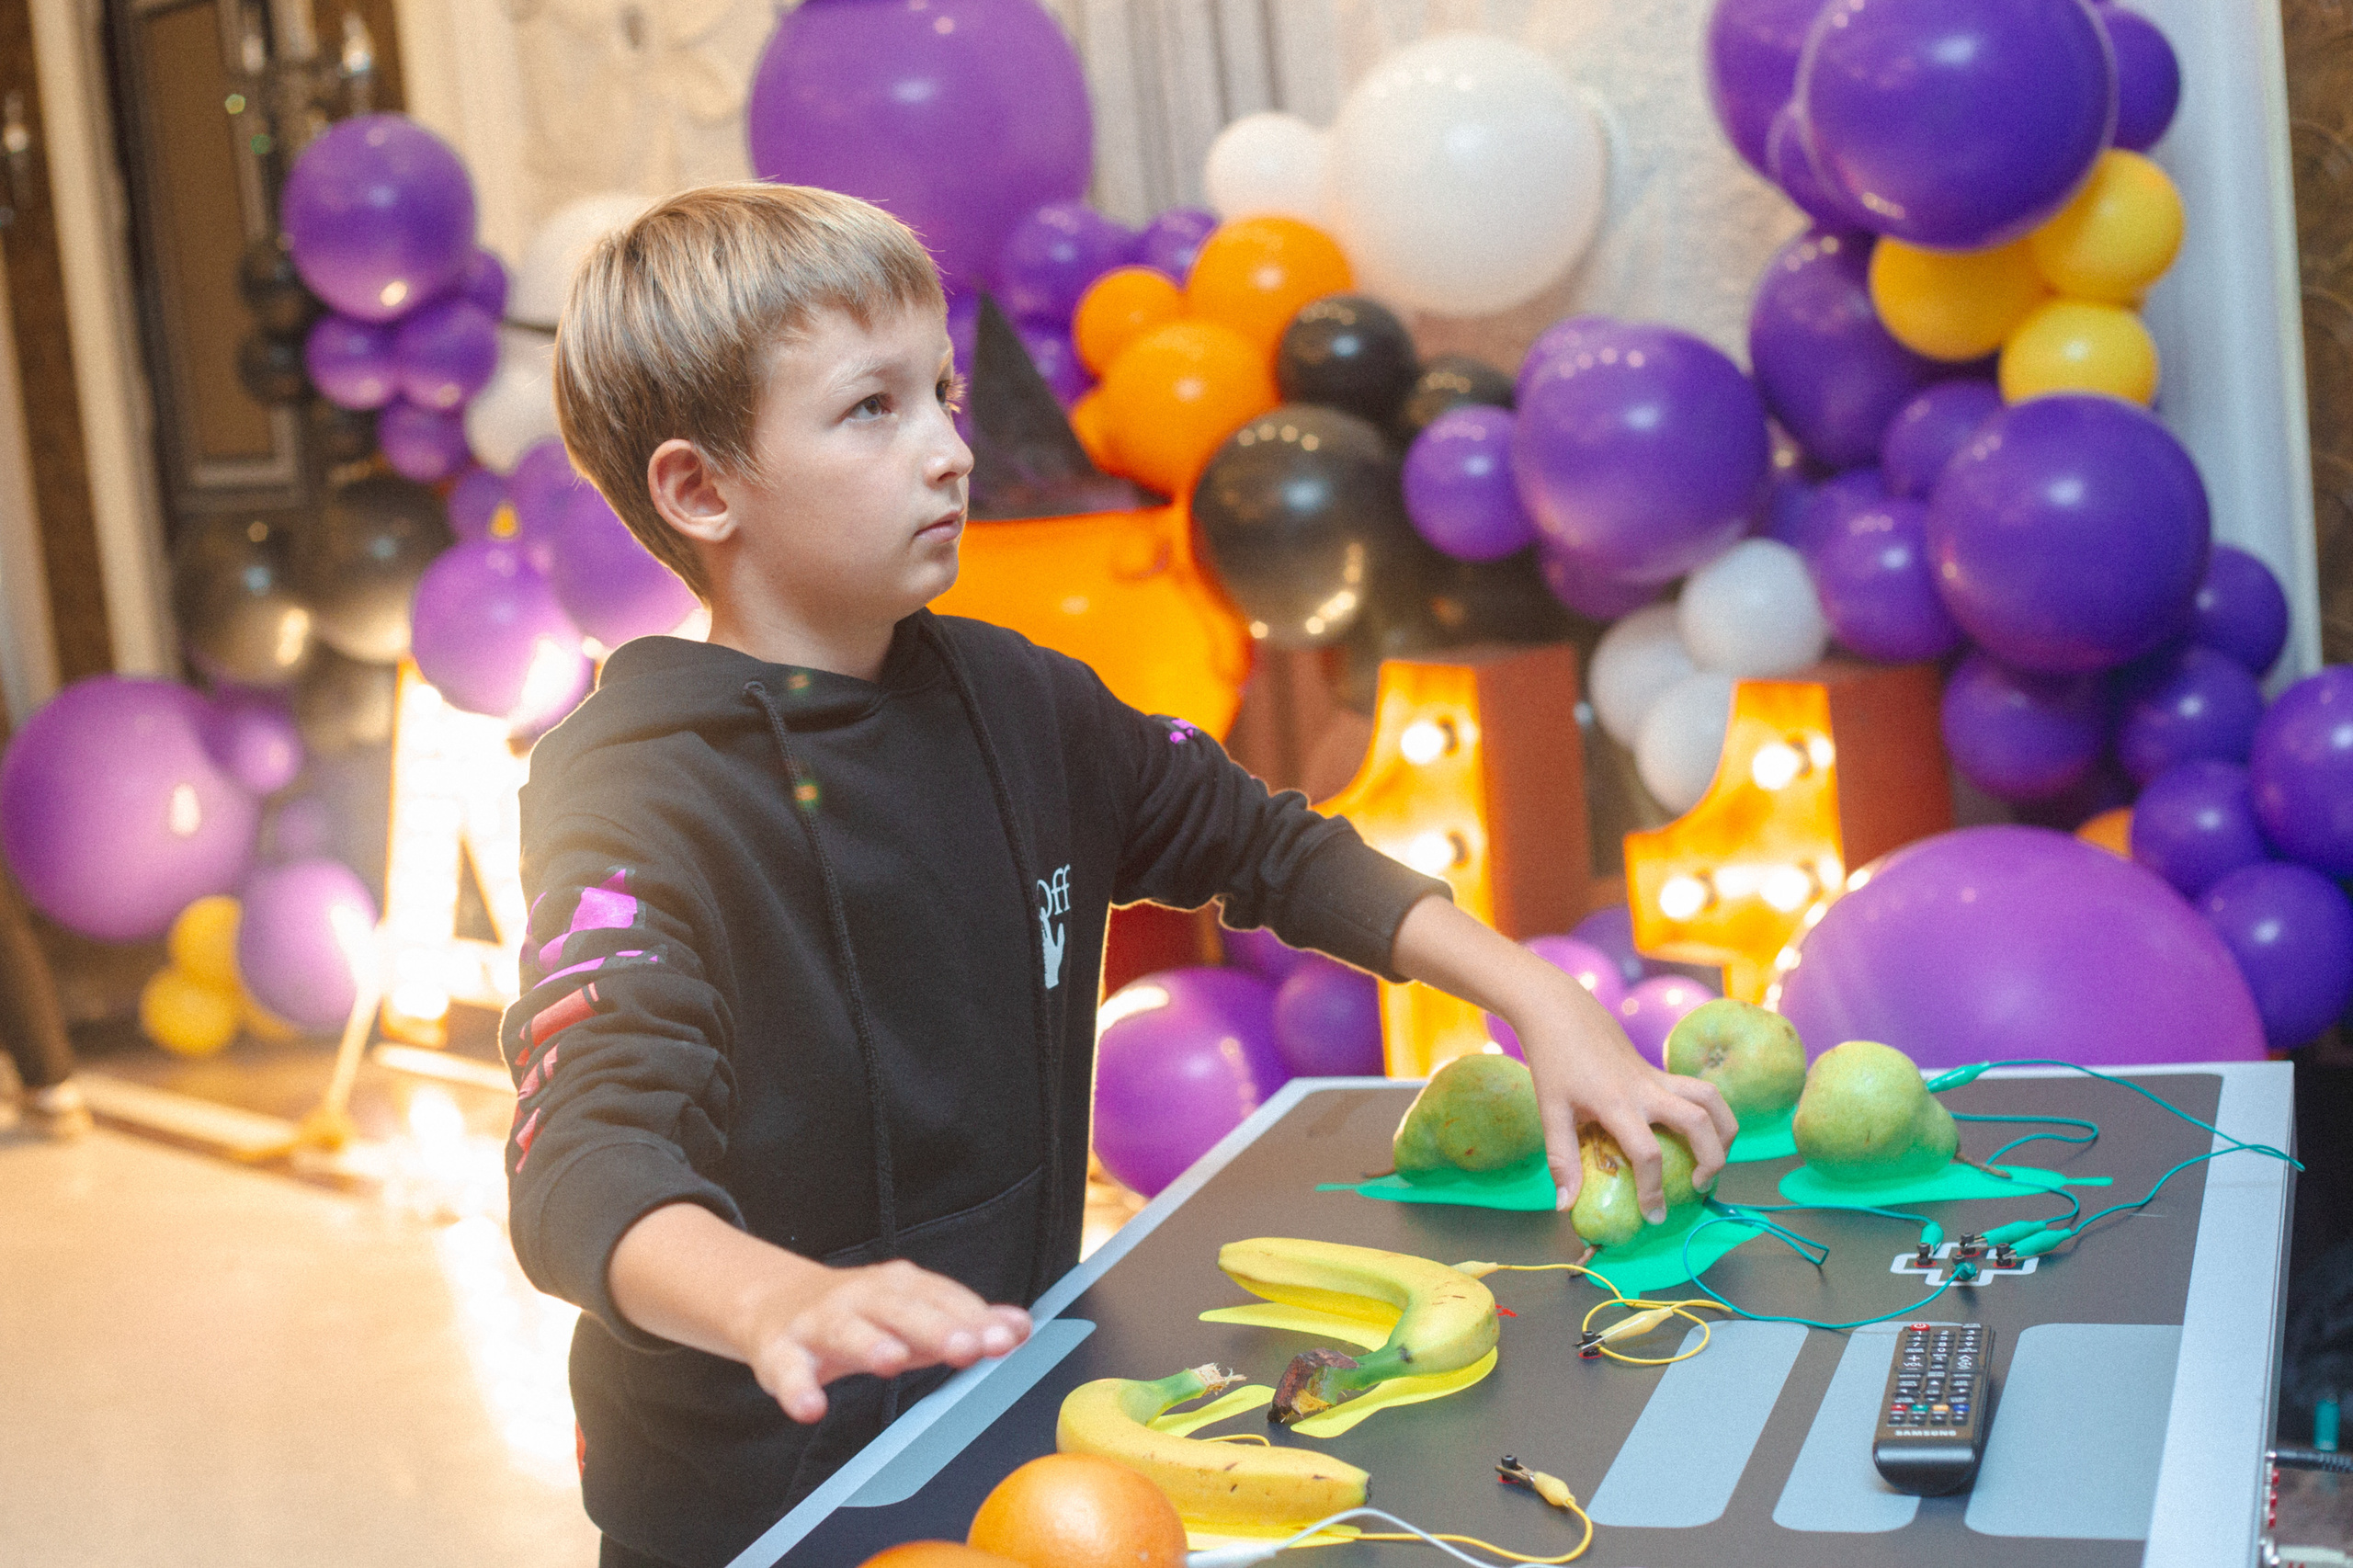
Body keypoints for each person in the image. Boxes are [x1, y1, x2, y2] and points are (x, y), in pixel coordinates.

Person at [507, 182, 1734, 1568]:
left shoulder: (1024, 700)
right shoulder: (628, 783)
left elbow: (1268, 844)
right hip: (753, 1503)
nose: (950, 452)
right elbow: (584, 1151)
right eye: (873, 409)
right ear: (698, 486)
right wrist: (769, 1298)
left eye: (944, 394)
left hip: (1003, 1416)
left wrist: (1538, 998)